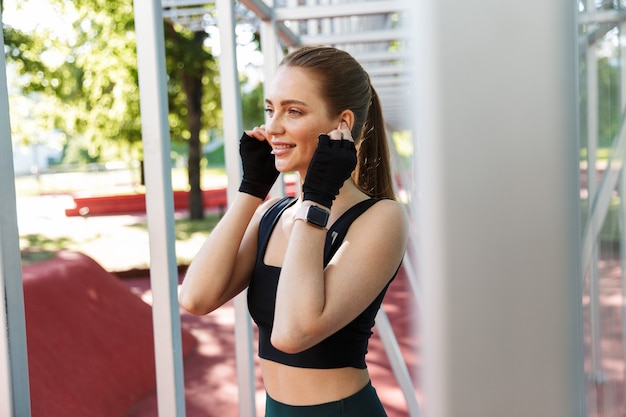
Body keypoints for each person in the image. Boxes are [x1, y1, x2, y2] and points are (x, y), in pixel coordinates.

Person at [179, 45, 409, 417]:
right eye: (270, 110)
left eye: (293, 111)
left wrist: (317, 197)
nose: (272, 127)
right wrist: (251, 190)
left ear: (342, 125)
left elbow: (292, 332)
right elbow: (195, 298)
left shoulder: (381, 218)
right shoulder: (273, 214)